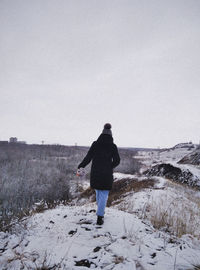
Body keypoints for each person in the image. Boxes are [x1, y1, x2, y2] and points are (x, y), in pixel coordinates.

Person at [77, 123, 120, 225]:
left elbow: (88, 157)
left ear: (101, 134)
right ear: (111, 135)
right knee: (104, 193)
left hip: (96, 172)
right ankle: (100, 216)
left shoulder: (95, 144)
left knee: (98, 191)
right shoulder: (113, 146)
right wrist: (110, 166)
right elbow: (117, 160)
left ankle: (100, 210)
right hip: (107, 173)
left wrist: (81, 165)